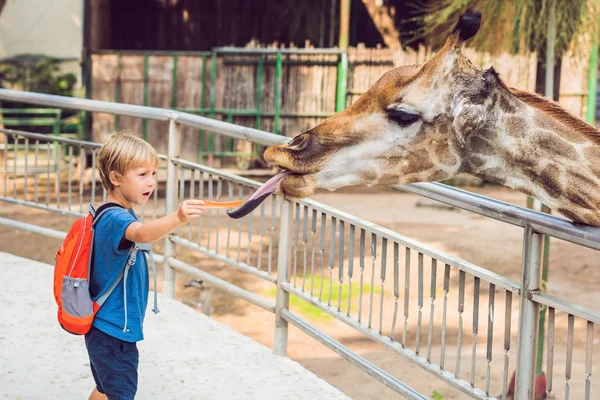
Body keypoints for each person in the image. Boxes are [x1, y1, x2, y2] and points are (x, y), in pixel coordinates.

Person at [86, 131, 205, 400]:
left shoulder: (111, 211)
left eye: (153, 173)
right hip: (115, 332)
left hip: (104, 329)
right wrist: (177, 217)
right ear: (116, 178)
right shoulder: (117, 218)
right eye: (142, 175)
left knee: (106, 389)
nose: (151, 182)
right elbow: (142, 234)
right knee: (120, 393)